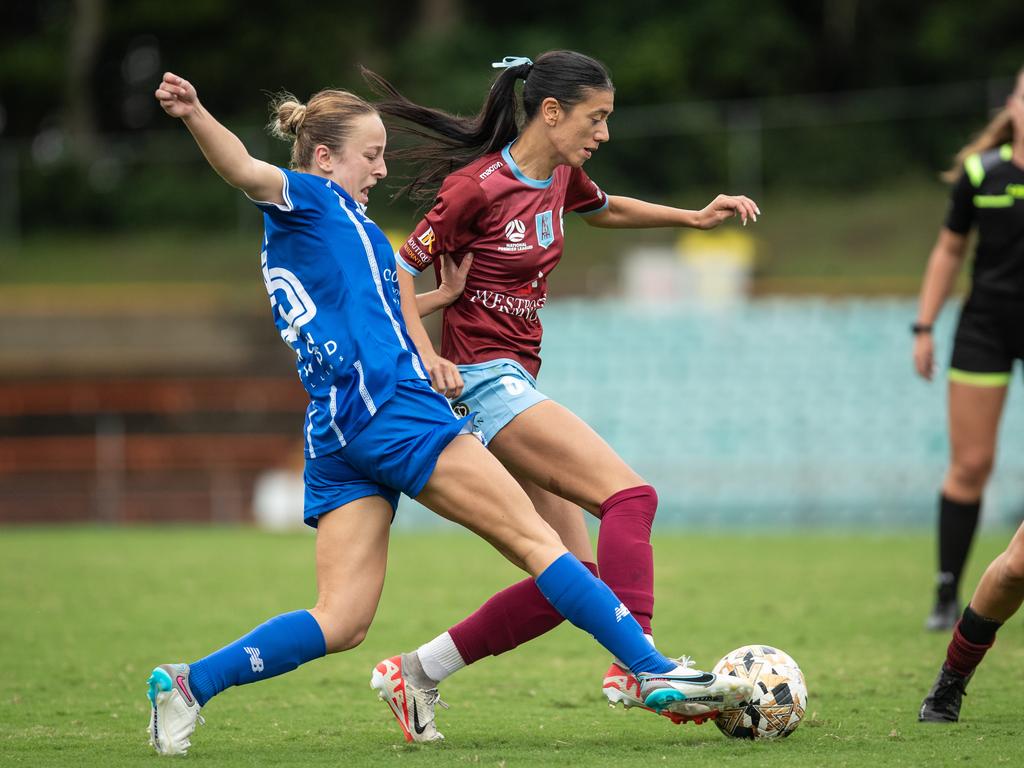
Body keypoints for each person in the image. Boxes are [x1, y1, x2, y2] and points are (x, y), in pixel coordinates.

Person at [144, 71, 752, 756]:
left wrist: (436, 308)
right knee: (540, 544)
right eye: (370, 154)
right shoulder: (311, 199)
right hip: (394, 413)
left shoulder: (354, 232)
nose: (380, 168)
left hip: (337, 429)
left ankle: (189, 682)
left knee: (342, 619)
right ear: (322, 157)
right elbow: (245, 169)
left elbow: (373, 315)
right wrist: (196, 113)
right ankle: (647, 669)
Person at [360, 51, 760, 742]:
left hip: (515, 380)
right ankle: (642, 666)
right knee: (632, 499)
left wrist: (693, 219)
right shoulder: (476, 187)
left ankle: (416, 673)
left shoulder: (562, 177)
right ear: (552, 112)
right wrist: (429, 357)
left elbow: (604, 210)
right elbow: (396, 268)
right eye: (595, 118)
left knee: (571, 581)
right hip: (484, 380)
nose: (603, 132)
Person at [918, 67, 1024, 721]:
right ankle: (946, 589)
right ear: (1011, 108)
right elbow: (947, 251)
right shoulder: (985, 173)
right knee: (972, 465)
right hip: (985, 328)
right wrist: (925, 324)